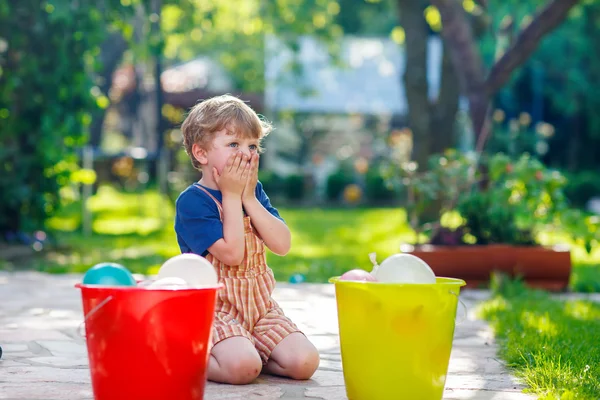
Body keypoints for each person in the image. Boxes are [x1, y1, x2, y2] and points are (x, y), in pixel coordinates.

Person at [174, 95, 320, 385]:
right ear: (201, 153)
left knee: (305, 362)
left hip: (260, 309)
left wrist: (249, 198)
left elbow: (282, 245)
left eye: (252, 146)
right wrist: (230, 196)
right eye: (233, 145)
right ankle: (186, 355)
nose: (247, 154)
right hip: (216, 311)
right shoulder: (193, 202)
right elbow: (231, 255)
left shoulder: (254, 191)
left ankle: (251, 350)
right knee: (242, 370)